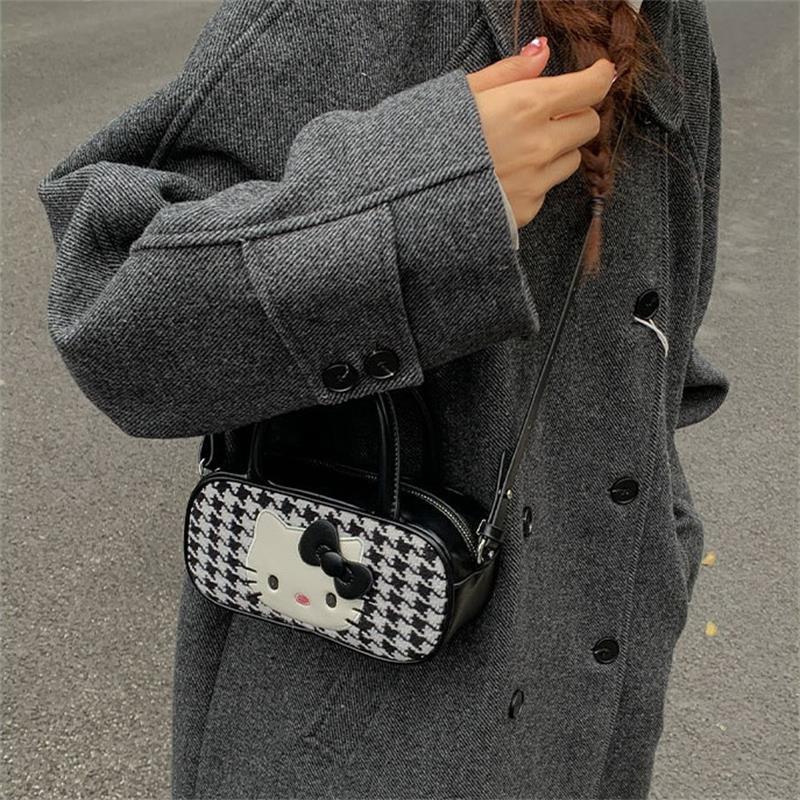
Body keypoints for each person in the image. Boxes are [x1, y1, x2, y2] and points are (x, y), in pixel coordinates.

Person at [37, 0, 729, 797]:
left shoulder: (673, 21)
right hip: (354, 738)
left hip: (591, 714)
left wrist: (661, 541)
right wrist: (424, 197)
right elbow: (111, 314)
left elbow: (659, 345)